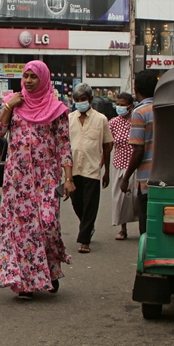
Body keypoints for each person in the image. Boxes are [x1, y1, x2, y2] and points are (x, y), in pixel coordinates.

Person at [0, 60, 74, 300]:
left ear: (44, 79)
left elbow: (64, 145)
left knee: (48, 224)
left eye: (33, 76)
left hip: (49, 178)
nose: (28, 80)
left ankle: (50, 271)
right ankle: (24, 282)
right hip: (17, 180)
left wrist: (68, 178)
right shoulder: (14, 104)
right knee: (22, 231)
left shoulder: (57, 109)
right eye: (25, 76)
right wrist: (8, 106)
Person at [67, 83, 114, 253]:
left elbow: (107, 145)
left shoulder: (101, 119)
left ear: (90, 100)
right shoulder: (69, 118)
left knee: (90, 205)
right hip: (73, 169)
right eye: (77, 100)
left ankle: (84, 240)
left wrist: (107, 171)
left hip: (92, 169)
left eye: (83, 100)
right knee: (77, 203)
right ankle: (87, 226)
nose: (80, 103)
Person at [121, 70, 158, 236]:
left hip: (147, 180)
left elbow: (138, 149)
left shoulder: (139, 112)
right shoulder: (164, 108)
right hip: (166, 178)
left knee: (147, 227)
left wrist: (126, 177)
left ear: (136, 90)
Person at [109, 92, 137, 240]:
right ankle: (122, 228)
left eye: (122, 105)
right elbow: (107, 143)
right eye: (117, 104)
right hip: (119, 164)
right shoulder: (113, 123)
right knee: (119, 198)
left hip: (135, 164)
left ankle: (142, 228)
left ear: (130, 106)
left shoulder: (137, 121)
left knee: (136, 198)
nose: (119, 107)